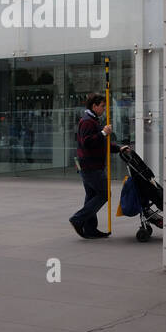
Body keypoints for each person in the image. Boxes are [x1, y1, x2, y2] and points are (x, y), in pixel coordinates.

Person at [69, 94, 128, 239]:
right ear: (94, 106)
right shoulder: (88, 122)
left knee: (92, 196)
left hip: (89, 165)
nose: (104, 109)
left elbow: (101, 144)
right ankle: (78, 219)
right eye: (102, 106)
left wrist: (118, 148)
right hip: (91, 166)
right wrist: (103, 133)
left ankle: (90, 229)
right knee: (104, 194)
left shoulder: (92, 120)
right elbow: (87, 142)